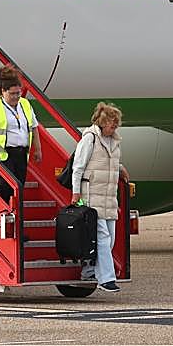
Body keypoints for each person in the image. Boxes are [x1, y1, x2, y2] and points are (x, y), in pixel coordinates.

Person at [70, 102, 130, 293]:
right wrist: (75, 192)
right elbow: (78, 167)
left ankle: (89, 271)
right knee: (102, 237)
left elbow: (109, 162)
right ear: (102, 122)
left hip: (109, 196)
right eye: (112, 123)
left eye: (116, 123)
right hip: (92, 195)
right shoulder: (90, 139)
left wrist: (120, 169)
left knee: (110, 239)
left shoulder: (114, 141)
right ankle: (106, 279)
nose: (115, 126)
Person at [0, 65, 42, 204]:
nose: (16, 97)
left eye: (18, 93)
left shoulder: (25, 104)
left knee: (19, 187)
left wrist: (38, 148)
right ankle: (1, 212)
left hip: (21, 153)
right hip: (2, 153)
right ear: (2, 91)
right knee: (6, 186)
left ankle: (14, 217)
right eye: (12, 94)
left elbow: (34, 127)